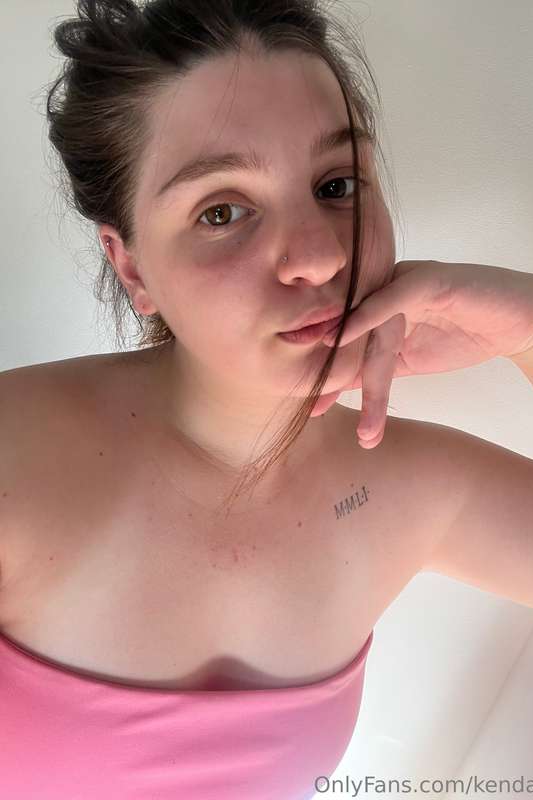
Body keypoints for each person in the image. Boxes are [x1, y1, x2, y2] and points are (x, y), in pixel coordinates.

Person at [0, 1, 409, 798]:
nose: (319, 257)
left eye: (336, 185)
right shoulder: (14, 463)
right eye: (222, 211)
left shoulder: (410, 489)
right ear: (132, 266)